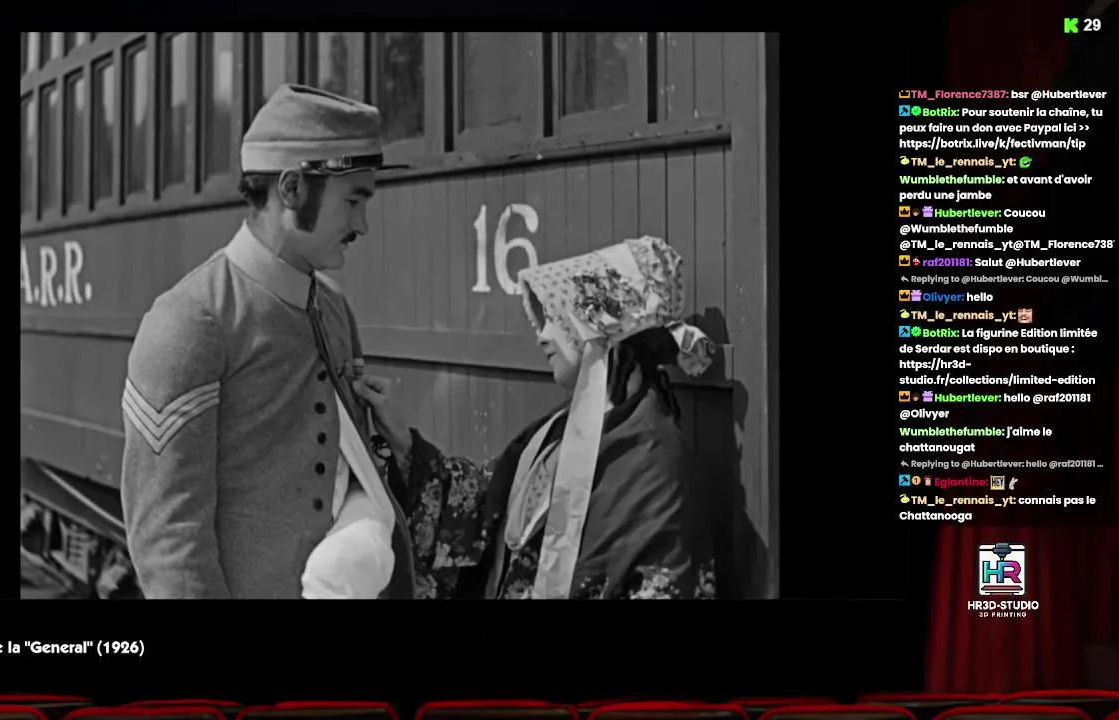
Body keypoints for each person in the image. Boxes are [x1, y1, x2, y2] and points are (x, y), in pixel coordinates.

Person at [119, 83, 414, 599]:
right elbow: (170, 543)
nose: (363, 224)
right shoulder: (190, 320)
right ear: (292, 189)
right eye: (353, 200)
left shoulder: (333, 308)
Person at [354, 235, 719, 599]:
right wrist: (403, 444)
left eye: (556, 319)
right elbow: (488, 507)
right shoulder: (560, 428)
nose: (542, 336)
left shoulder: (655, 464)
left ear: (602, 330)